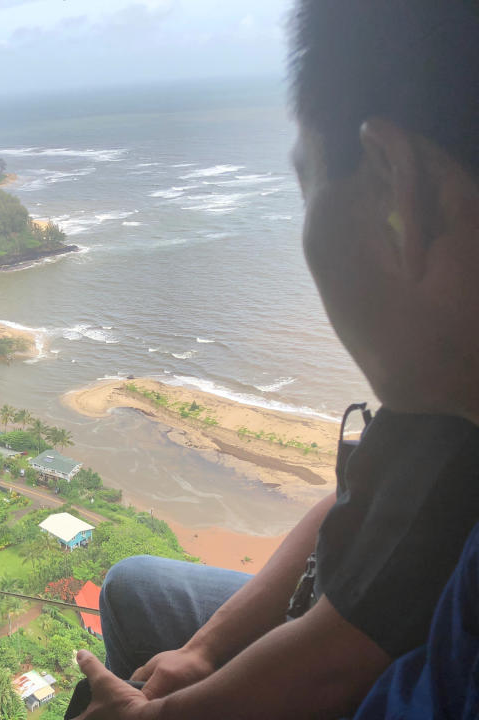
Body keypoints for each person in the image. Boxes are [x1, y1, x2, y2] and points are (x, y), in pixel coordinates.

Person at [74, 0, 479, 717]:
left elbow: (340, 661)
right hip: (334, 615)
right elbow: (352, 503)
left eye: (306, 186)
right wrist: (204, 651)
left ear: (396, 188)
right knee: (135, 587)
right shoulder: (443, 395)